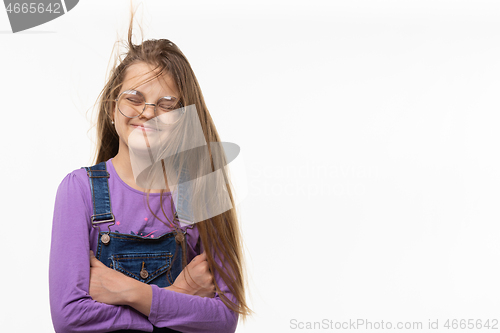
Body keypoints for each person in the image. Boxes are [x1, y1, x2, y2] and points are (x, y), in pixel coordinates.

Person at [49, 13, 251, 333]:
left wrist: (132, 292)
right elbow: (70, 319)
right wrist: (177, 296)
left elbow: (224, 319)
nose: (148, 113)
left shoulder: (202, 189)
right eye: (135, 98)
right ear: (112, 106)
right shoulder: (79, 190)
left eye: (166, 105)